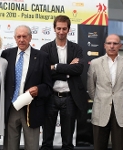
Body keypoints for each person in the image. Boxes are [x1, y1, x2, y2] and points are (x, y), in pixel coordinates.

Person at [40, 15, 88, 150]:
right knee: (46, 140)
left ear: (69, 29)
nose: (61, 32)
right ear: (54, 29)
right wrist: (68, 70)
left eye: (64, 29)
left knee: (68, 141)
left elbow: (78, 69)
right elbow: (45, 72)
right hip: (50, 97)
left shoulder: (76, 48)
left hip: (70, 98)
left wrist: (55, 67)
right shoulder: (45, 48)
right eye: (59, 28)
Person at [1, 25, 52, 150]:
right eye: (18, 37)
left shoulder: (42, 57)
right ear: (14, 38)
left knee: (32, 146)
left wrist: (38, 90)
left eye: (24, 36)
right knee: (10, 146)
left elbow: (48, 86)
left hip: (32, 109)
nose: (21, 39)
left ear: (30, 37)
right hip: (11, 108)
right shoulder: (6, 54)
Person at [87, 34, 123, 150]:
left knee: (119, 146)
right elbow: (91, 87)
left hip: (121, 111)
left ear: (120, 46)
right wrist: (99, 100)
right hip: (100, 110)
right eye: (109, 43)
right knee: (99, 146)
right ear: (104, 46)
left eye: (115, 43)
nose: (112, 46)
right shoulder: (95, 63)